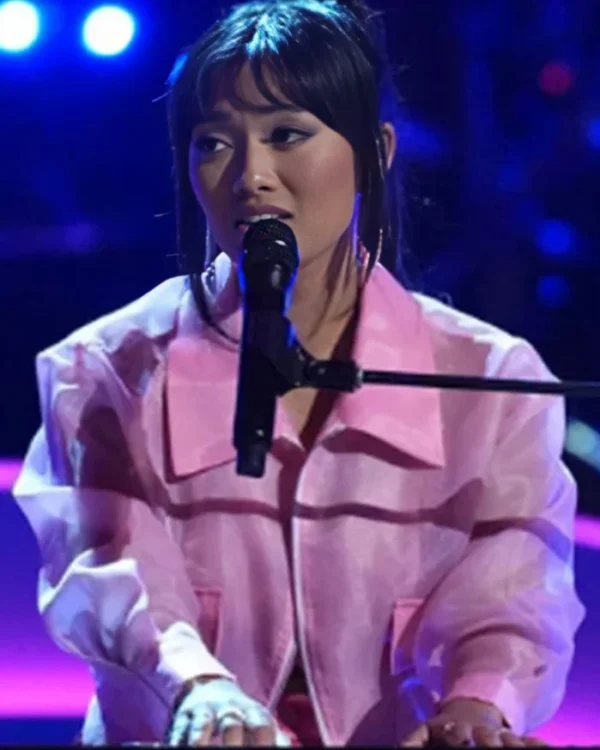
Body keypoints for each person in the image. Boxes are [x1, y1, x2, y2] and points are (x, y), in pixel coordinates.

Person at [13, 0, 585, 746]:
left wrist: (476, 709)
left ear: (375, 150)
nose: (251, 176)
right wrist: (202, 693)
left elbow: (512, 596)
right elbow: (113, 571)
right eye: (214, 143)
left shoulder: (493, 379)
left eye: (286, 134)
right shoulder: (105, 370)